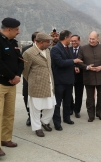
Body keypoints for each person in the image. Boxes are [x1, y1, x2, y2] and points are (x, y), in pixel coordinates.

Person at [23, 33, 56, 137]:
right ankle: (37, 128)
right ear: (41, 42)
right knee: (35, 108)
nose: (50, 44)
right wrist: (34, 80)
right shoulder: (29, 53)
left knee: (51, 106)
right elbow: (25, 71)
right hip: (36, 86)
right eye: (48, 42)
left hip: (49, 84)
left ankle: (44, 122)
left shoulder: (47, 51)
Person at [0, 17, 23, 156]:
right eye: (16, 29)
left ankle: (5, 138)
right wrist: (11, 76)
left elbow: (21, 61)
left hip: (12, 84)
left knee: (9, 114)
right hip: (1, 83)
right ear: (9, 29)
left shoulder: (13, 43)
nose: (18, 32)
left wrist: (18, 76)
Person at [51, 30, 82, 130]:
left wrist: (74, 67)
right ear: (65, 38)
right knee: (57, 103)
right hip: (60, 81)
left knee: (67, 101)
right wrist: (74, 61)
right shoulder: (55, 49)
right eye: (70, 38)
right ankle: (57, 122)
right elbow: (60, 62)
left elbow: (67, 62)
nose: (71, 40)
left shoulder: (67, 48)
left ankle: (66, 118)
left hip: (69, 80)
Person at [78, 31, 101, 122]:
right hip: (88, 77)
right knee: (90, 98)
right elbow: (79, 62)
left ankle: (100, 113)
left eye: (93, 39)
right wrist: (88, 67)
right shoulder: (83, 48)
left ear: (97, 39)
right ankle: (91, 115)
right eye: (90, 39)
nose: (91, 40)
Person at [22, 31, 39, 126]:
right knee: (26, 96)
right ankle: (30, 115)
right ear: (35, 40)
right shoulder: (25, 49)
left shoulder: (45, 49)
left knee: (39, 98)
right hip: (27, 78)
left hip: (40, 79)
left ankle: (39, 116)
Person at [70, 35, 84, 118]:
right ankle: (71, 108)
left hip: (80, 76)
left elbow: (85, 61)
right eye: (72, 41)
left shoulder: (84, 50)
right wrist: (73, 67)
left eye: (75, 41)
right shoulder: (68, 50)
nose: (73, 42)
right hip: (70, 75)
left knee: (79, 94)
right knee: (69, 94)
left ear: (79, 41)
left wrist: (79, 67)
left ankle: (77, 110)